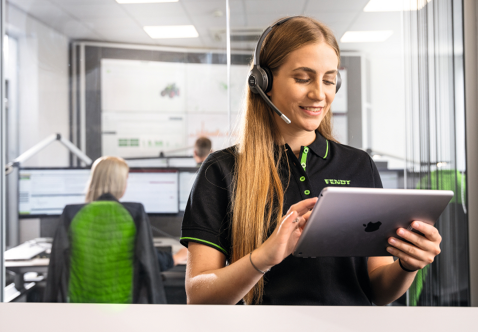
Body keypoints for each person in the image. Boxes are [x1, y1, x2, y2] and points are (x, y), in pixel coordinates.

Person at [180, 16, 442, 305]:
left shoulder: (358, 165)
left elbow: (377, 292)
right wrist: (264, 257)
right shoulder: (222, 170)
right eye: (303, 78)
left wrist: (407, 265)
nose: (319, 94)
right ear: (263, 82)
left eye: (329, 80)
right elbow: (198, 295)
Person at [44, 156, 186, 303]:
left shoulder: (72, 215)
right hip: (123, 309)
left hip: (80, 308)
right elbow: (149, 259)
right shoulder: (133, 214)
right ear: (120, 183)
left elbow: (56, 268)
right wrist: (177, 257)